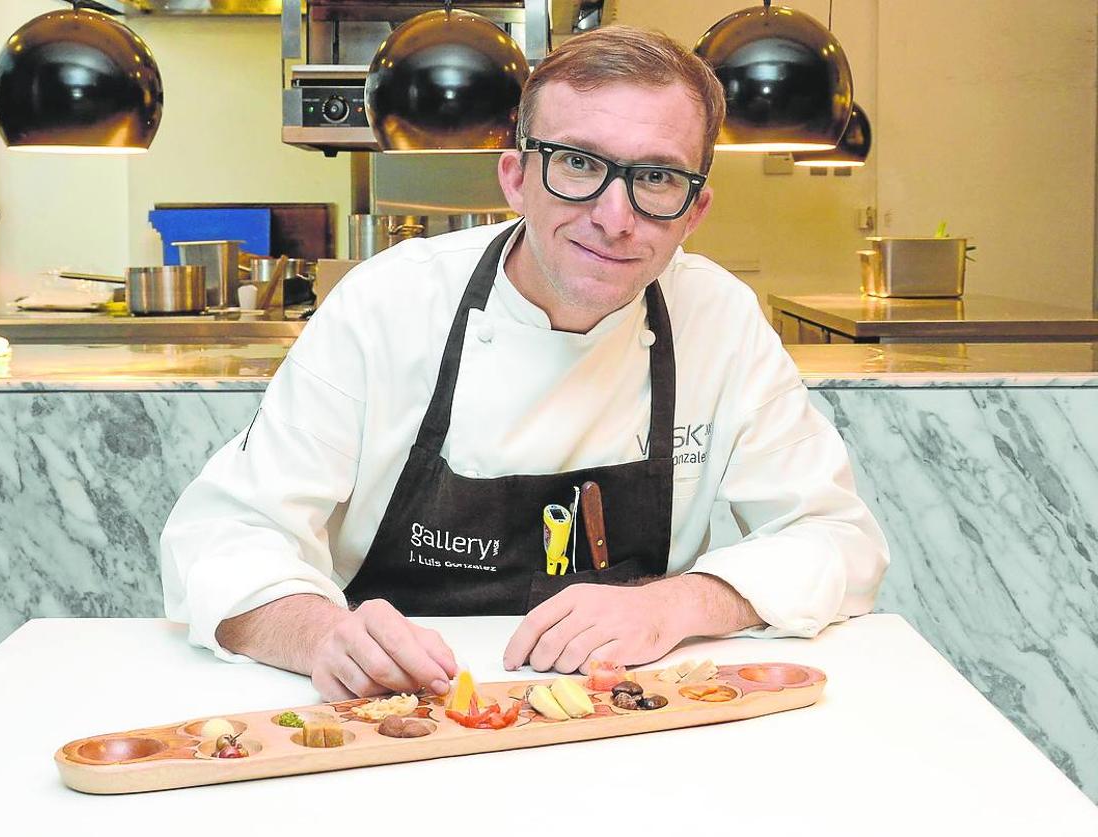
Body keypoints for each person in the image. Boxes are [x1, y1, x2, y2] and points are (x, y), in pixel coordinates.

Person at [160, 25, 889, 701]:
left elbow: (839, 541)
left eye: (658, 179)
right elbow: (222, 540)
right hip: (400, 712)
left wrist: (679, 603)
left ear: (694, 211)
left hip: (618, 711)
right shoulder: (388, 305)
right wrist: (324, 636)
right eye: (578, 163)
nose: (615, 216)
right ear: (515, 177)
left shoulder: (717, 318)